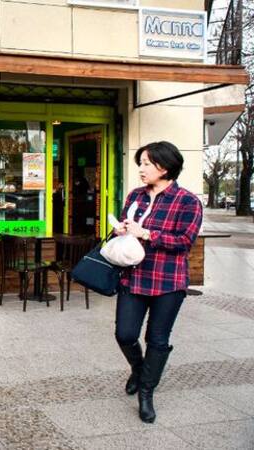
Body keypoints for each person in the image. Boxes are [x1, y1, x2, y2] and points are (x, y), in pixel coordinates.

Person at [113, 141, 202, 424]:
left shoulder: (188, 201)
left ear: (164, 167)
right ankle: (139, 371)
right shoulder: (135, 196)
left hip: (168, 280)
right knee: (125, 334)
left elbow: (184, 242)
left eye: (147, 164)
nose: (141, 169)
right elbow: (129, 232)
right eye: (141, 163)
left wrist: (148, 234)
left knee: (157, 339)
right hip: (134, 276)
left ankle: (147, 392)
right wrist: (121, 231)